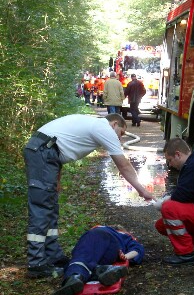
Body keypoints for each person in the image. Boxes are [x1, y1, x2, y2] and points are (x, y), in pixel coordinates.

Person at [23, 113, 154, 278]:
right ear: (114, 124)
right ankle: (36, 264)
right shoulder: (104, 128)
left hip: (46, 152)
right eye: (120, 133)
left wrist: (57, 179)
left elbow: (58, 149)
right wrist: (142, 190)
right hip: (42, 151)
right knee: (42, 208)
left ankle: (53, 255)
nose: (119, 139)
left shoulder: (95, 125)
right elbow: (123, 164)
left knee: (50, 207)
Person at [46, 224, 144, 295]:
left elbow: (138, 249)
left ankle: (75, 276)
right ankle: (101, 269)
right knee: (88, 262)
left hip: (100, 239)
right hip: (111, 252)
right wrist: (126, 257)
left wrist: (125, 256)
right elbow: (138, 250)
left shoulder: (98, 229)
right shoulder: (127, 237)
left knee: (79, 258)